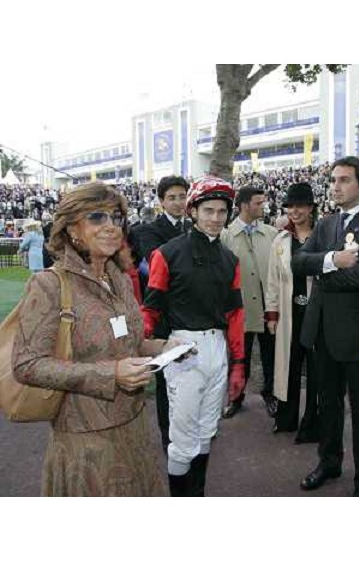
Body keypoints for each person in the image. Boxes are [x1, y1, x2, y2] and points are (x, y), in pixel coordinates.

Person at [12, 183, 176, 496]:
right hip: (86, 442)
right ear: (72, 229)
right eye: (97, 217)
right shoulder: (48, 285)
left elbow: (131, 345)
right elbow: (27, 365)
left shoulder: (120, 280)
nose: (111, 226)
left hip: (136, 429)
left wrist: (166, 348)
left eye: (116, 218)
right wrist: (111, 374)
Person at [141, 178, 245, 496]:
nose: (215, 218)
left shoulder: (231, 260)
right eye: (208, 210)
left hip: (217, 349)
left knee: (205, 433)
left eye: (221, 212)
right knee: (182, 442)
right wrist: (146, 345)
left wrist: (239, 363)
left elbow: (235, 315)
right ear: (194, 212)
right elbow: (151, 308)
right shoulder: (167, 253)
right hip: (182, 348)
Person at [292, 156, 359, 496]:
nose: (335, 186)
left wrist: (323, 273)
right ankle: (328, 462)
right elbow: (298, 262)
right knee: (326, 403)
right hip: (322, 332)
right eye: (333, 180)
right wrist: (333, 261)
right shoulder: (326, 224)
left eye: (344, 180)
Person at [137, 175, 192, 452]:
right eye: (172, 197)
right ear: (161, 202)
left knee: (192, 376)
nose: (178, 202)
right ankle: (167, 434)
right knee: (165, 380)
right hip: (164, 317)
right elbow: (161, 265)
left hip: (192, 317)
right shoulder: (148, 231)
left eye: (182, 196)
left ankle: (188, 427)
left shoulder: (194, 227)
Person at [265, 183, 319, 443]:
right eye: (290, 206)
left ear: (310, 207)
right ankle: (286, 419)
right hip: (289, 313)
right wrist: (272, 313)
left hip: (317, 313)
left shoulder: (322, 236)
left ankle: (313, 423)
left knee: (317, 368)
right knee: (288, 366)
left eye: (300, 205)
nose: (294, 211)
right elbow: (273, 280)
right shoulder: (281, 240)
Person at [220, 186, 278, 418]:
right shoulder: (225, 237)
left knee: (271, 356)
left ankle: (271, 393)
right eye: (258, 203)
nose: (263, 207)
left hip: (269, 309)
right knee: (238, 357)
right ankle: (236, 396)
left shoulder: (272, 234)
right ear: (244, 205)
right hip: (240, 310)